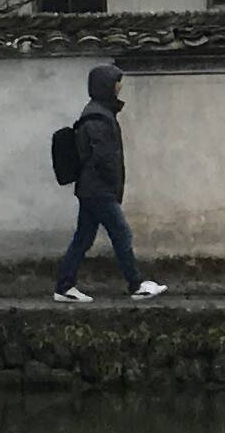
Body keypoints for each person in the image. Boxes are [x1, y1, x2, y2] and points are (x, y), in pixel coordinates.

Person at [54, 61, 164, 301]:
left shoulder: (98, 113)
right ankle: (136, 285)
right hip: (98, 190)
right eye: (116, 84)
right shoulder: (98, 117)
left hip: (92, 188)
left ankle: (64, 286)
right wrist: (112, 185)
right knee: (121, 233)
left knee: (83, 238)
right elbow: (104, 158)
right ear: (105, 86)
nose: (118, 89)